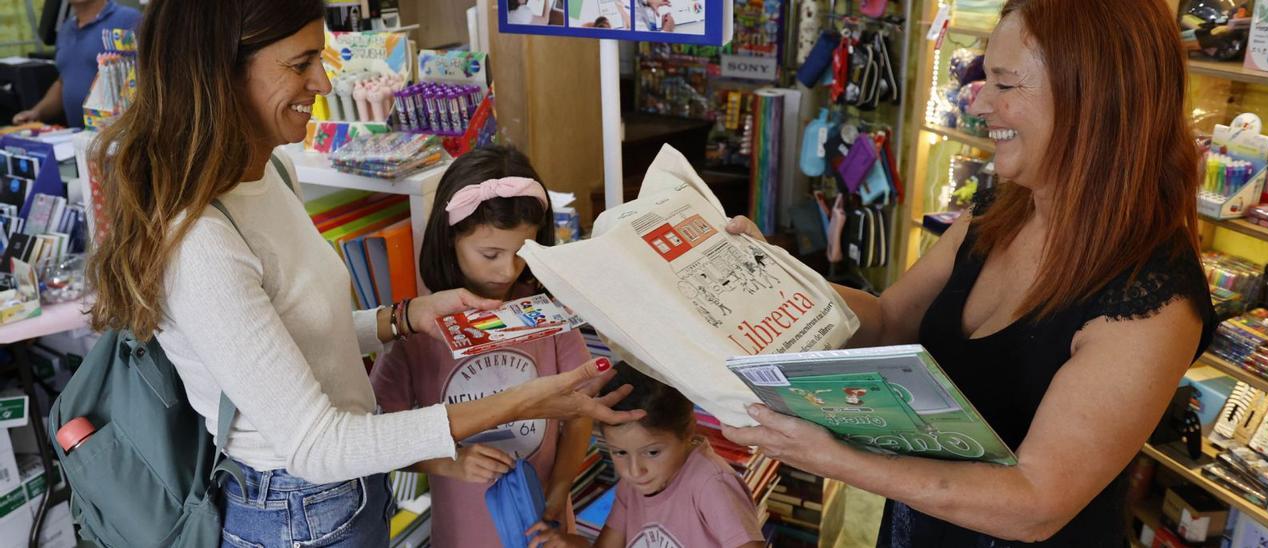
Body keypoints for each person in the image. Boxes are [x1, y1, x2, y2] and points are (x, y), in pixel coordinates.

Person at [84, 2, 642, 547]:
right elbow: (317, 446)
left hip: (350, 495)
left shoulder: (271, 171)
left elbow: (289, 335)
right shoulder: (201, 242)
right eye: (300, 64)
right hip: (296, 513)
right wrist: (522, 403)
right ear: (218, 72)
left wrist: (401, 317)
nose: (325, 83)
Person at [722, 0, 1216, 545]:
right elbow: (888, 322)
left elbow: (1036, 503)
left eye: (1005, 85)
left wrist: (838, 459)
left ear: (1095, 101)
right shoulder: (999, 213)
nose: (978, 101)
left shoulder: (1153, 295)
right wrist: (774, 274)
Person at [369, 146, 595, 547]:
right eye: (490, 254)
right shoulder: (421, 329)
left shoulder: (546, 314)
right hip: (463, 531)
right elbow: (380, 436)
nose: (507, 270)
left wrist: (559, 492)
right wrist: (448, 462)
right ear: (450, 238)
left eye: (522, 253)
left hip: (545, 522)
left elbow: (579, 416)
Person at [526, 363, 766, 548]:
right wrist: (568, 543)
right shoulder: (632, 486)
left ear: (688, 431)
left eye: (652, 452)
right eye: (619, 452)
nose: (634, 470)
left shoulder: (711, 485)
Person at [12, 0, 141, 127]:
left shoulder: (129, 19)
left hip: (120, 136)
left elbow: (148, 75)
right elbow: (63, 82)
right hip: (79, 139)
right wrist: (37, 112)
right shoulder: (66, 29)